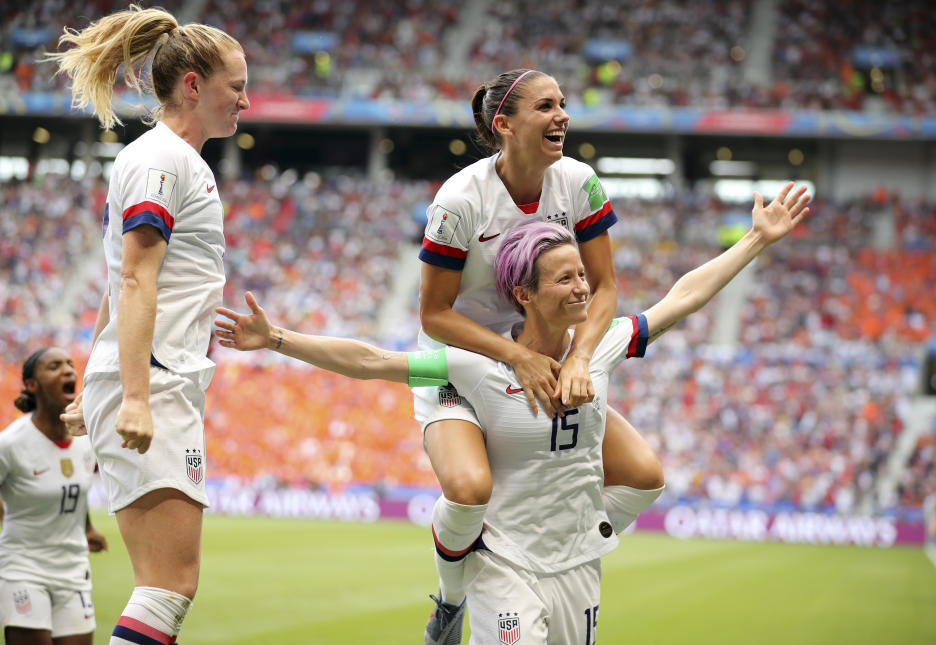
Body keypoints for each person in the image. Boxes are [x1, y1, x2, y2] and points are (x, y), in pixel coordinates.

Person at [214, 183, 809, 643]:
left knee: (646, 475)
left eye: (582, 274)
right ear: (523, 294)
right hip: (503, 562)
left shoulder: (597, 349)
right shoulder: (478, 366)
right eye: (566, 279)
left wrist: (755, 241)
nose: (583, 288)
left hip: (577, 561)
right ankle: (452, 598)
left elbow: (683, 297)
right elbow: (372, 360)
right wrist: (277, 339)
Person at [415, 68, 664, 644]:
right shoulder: (459, 200)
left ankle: (548, 547)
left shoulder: (579, 182)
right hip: (469, 363)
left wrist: (577, 360)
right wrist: (513, 356)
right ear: (504, 124)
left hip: (545, 357)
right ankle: (452, 602)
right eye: (546, 106)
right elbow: (434, 315)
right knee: (470, 488)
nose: (563, 116)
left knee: (644, 475)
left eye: (564, 104)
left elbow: (604, 288)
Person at [49, 6, 248, 644]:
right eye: (236, 86)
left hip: (159, 380)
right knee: (167, 584)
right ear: (193, 85)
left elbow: (120, 283)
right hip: (155, 383)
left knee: (170, 583)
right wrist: (131, 394)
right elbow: (134, 278)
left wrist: (93, 383)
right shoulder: (163, 160)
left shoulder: (178, 160)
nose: (245, 99)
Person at [0, 348, 107, 645]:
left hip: (73, 568)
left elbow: (74, 486)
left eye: (70, 365)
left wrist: (86, 527)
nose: (68, 371)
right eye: (54, 366)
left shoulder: (86, 440)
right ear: (32, 385)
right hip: (23, 567)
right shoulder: (10, 444)